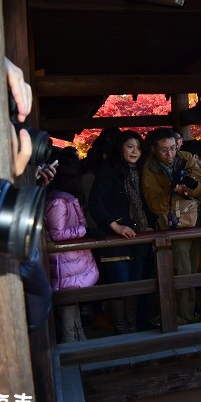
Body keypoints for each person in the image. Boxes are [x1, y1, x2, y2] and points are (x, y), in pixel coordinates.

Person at [89, 130, 156, 334]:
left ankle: (133, 328)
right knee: (120, 285)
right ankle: (121, 330)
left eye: (138, 147)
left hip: (138, 238)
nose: (135, 151)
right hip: (115, 238)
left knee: (135, 286)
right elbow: (95, 202)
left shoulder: (144, 171)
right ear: (121, 148)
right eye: (130, 146)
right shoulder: (108, 171)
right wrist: (116, 226)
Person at [142, 127, 201, 325]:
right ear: (153, 149)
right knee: (182, 270)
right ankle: (182, 317)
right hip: (173, 225)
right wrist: (171, 191)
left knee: (194, 268)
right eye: (164, 150)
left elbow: (199, 184)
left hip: (195, 220)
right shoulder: (149, 168)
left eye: (172, 148)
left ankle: (190, 313)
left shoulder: (185, 157)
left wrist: (188, 189)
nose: (170, 153)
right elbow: (153, 204)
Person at [44, 151, 100, 342]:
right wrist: (84, 231)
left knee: (73, 306)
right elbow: (57, 234)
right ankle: (72, 350)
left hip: (71, 262)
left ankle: (80, 343)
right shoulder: (59, 202)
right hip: (65, 262)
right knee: (68, 310)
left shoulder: (63, 199)